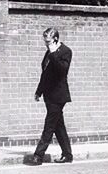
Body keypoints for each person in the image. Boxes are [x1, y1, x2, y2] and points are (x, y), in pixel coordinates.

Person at [27, 27, 73, 165]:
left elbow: (62, 71)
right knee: (58, 126)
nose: (46, 44)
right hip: (49, 95)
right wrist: (38, 91)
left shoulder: (66, 51)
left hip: (58, 96)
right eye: (45, 41)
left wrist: (53, 54)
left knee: (49, 125)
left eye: (48, 41)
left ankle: (38, 155)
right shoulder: (48, 52)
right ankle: (67, 154)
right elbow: (45, 74)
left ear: (56, 39)